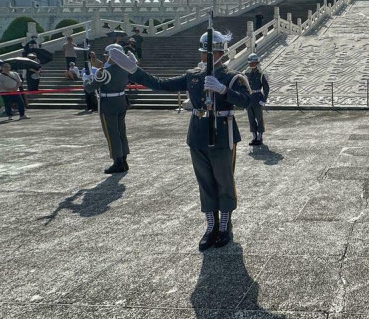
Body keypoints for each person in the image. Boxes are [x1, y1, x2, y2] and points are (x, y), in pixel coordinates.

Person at [107, 31, 261, 251]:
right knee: (205, 181)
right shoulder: (193, 76)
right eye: (203, 53)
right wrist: (134, 70)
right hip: (197, 133)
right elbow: (160, 84)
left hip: (222, 134)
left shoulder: (233, 77)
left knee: (224, 180)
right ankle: (211, 226)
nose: (204, 57)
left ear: (220, 52)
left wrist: (223, 89)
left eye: (209, 53)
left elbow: (247, 102)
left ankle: (225, 225)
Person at [84, 43, 133, 173]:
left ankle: (118, 162)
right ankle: (123, 160)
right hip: (121, 101)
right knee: (121, 131)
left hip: (108, 103)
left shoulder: (105, 72)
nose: (105, 58)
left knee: (112, 134)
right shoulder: (125, 70)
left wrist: (86, 79)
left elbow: (90, 88)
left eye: (107, 55)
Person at [244, 53, 270, 146]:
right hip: (249, 98)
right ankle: (254, 137)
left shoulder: (261, 74)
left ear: (257, 62)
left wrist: (264, 99)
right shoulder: (246, 73)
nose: (251, 64)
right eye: (250, 62)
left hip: (258, 97)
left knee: (259, 119)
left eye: (253, 62)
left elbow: (266, 88)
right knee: (251, 118)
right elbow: (244, 87)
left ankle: (259, 137)